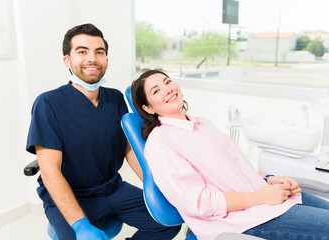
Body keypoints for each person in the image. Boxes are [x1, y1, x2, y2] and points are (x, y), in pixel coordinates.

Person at [131, 69, 329, 240]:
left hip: (264, 200)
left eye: (167, 82)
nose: (167, 89)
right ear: (148, 108)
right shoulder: (161, 142)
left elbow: (233, 170)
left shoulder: (202, 123)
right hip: (240, 220)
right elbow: (198, 202)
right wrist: (259, 197)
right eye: (156, 91)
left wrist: (269, 180)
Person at [26, 24, 180, 240]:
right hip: (73, 195)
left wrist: (154, 185)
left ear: (106, 60)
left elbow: (129, 150)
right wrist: (80, 226)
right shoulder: (48, 103)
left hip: (112, 189)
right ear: (67, 60)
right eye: (82, 51)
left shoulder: (115, 99)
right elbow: (50, 171)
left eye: (99, 52)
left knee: (168, 221)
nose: (92, 58)